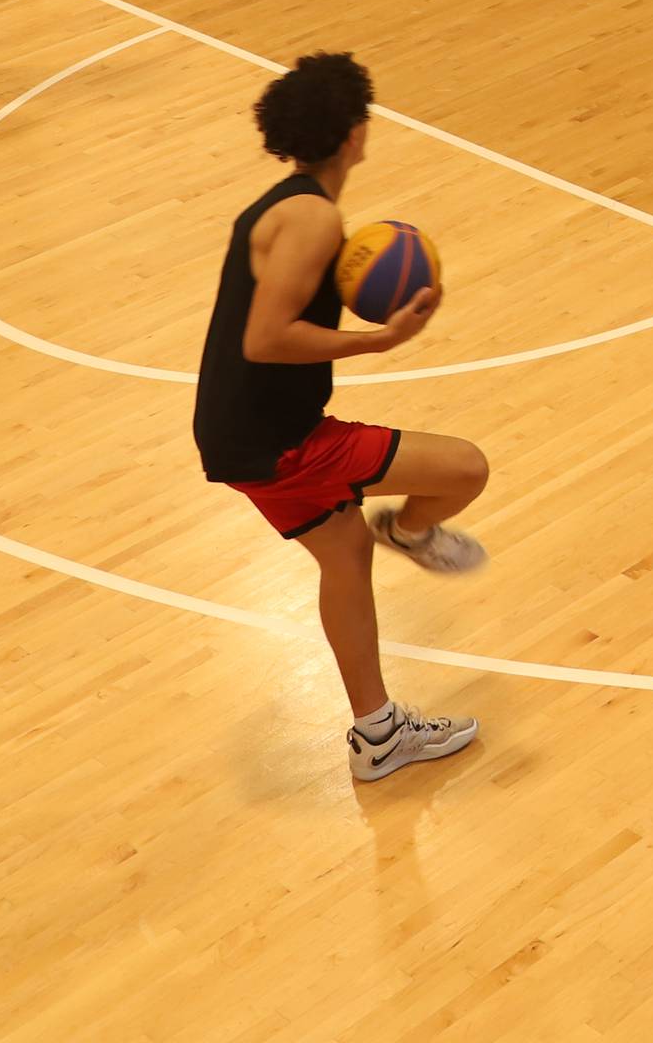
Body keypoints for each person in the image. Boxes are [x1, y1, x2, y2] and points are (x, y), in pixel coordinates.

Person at [190, 51, 494, 785]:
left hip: (240, 432)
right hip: (279, 440)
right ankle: (411, 529)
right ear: (356, 133)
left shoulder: (286, 204)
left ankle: (378, 733)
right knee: (465, 468)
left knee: (345, 555)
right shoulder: (315, 219)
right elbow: (265, 338)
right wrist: (382, 338)